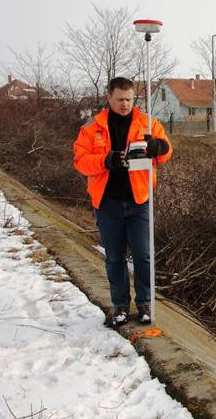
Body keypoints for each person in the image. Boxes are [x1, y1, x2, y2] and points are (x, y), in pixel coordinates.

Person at [73, 77, 172, 327]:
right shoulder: (92, 128)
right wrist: (105, 161)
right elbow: (80, 161)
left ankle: (145, 304)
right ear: (109, 98)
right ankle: (120, 306)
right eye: (120, 100)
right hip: (107, 203)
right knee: (114, 257)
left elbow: (166, 151)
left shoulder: (147, 123)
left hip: (139, 200)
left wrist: (158, 146)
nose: (125, 104)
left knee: (143, 255)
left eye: (129, 99)